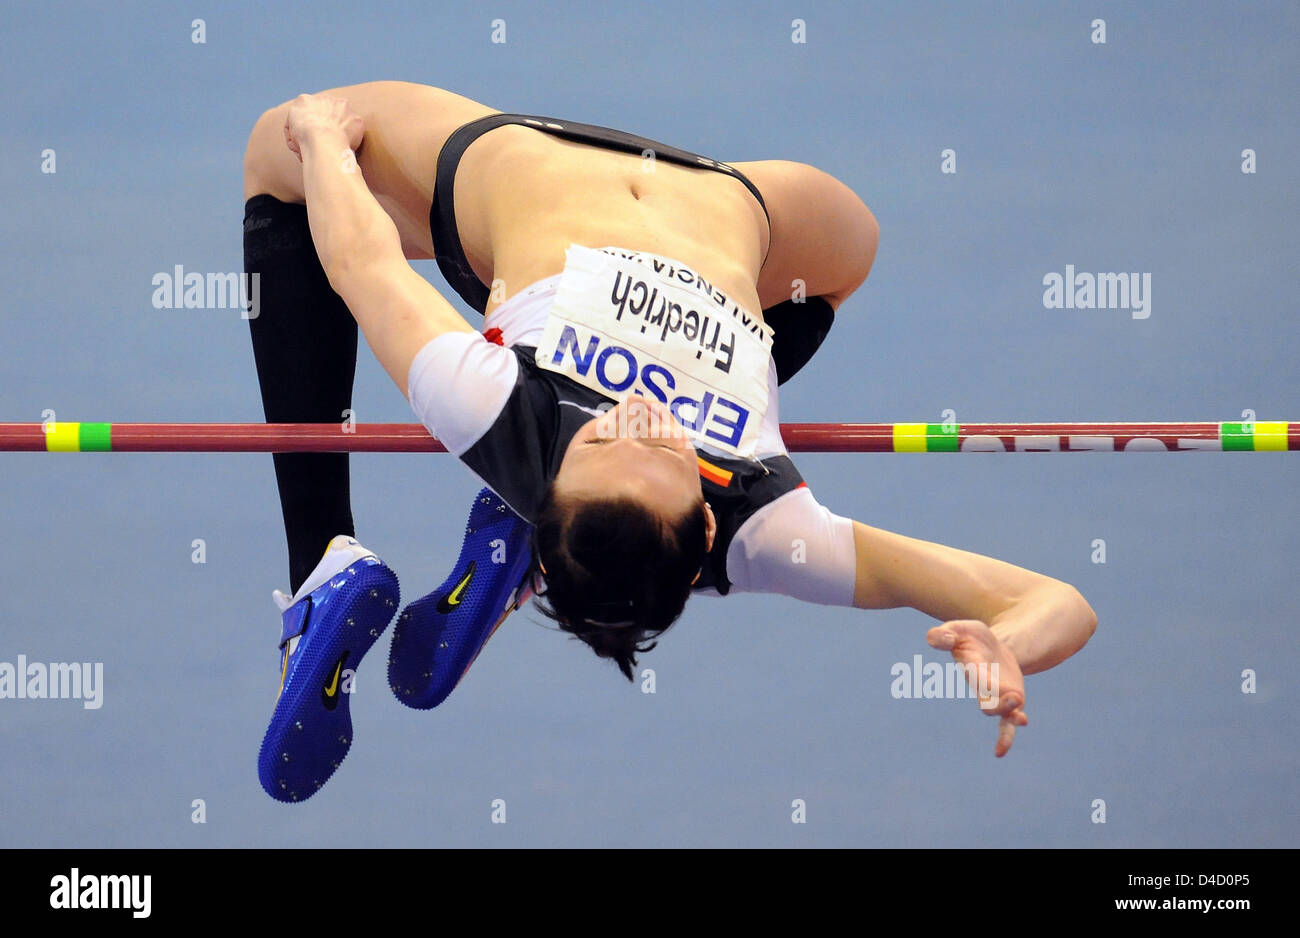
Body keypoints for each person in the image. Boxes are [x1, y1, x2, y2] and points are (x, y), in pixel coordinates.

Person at [242, 82, 1097, 803]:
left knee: (276, 163)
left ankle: (324, 560)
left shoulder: (493, 407)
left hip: (539, 160)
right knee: (850, 250)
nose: (644, 413)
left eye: (606, 440)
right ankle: (512, 558)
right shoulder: (772, 530)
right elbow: (1058, 601)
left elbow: (363, 261)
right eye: (665, 456)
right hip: (728, 195)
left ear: (548, 487)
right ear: (713, 530)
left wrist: (319, 140)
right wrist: (1008, 645)